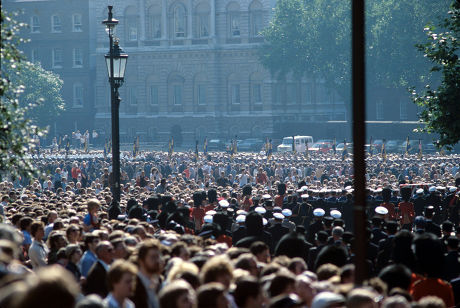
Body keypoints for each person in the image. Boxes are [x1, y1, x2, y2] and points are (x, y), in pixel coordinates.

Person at [130, 239, 163, 308]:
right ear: (141, 261)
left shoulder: (160, 281)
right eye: (153, 257)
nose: (157, 261)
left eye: (158, 257)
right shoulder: (132, 284)